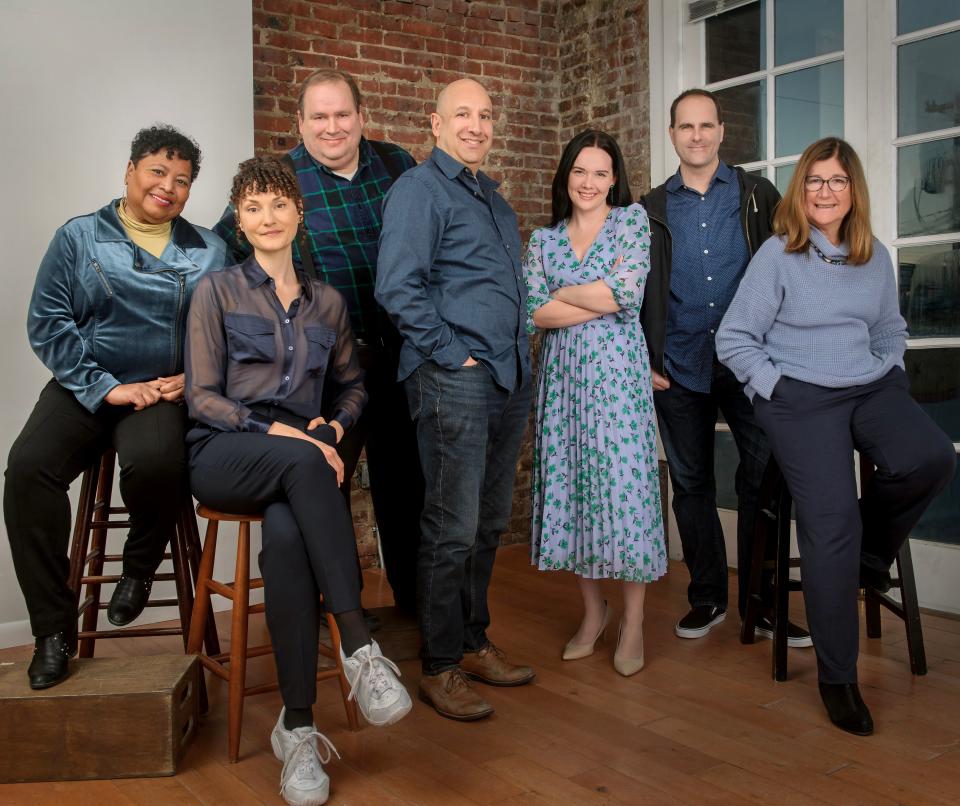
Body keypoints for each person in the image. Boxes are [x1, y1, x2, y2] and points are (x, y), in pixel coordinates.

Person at [186, 157, 411, 805]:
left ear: (298, 212)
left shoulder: (329, 303)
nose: (267, 217)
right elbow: (202, 398)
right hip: (227, 452)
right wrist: (299, 442)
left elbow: (353, 386)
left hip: (300, 466)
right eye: (253, 207)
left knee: (286, 538)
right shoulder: (218, 292)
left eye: (278, 204)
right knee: (303, 465)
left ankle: (300, 728)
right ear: (240, 219)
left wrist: (335, 433)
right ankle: (362, 648)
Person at [716, 137, 955, 736]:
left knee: (930, 457)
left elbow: (890, 328)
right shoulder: (777, 255)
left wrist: (890, 373)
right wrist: (776, 387)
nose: (826, 191)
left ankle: (868, 557)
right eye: (816, 181)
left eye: (838, 181)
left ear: (853, 193)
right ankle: (838, 677)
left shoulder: (874, 257)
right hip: (798, 394)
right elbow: (734, 338)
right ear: (802, 191)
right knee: (829, 522)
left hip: (869, 386)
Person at [4, 125, 227, 690]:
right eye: (157, 171)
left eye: (182, 180)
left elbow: (226, 330)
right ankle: (53, 630)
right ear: (129, 172)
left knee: (157, 465)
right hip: (87, 385)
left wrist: (192, 377)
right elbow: (47, 322)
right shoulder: (79, 236)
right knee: (27, 471)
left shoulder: (210, 249)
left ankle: (137, 568)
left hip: (161, 391)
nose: (167, 186)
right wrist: (104, 387)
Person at [214, 69, 423, 617]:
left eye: (342, 114)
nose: (333, 127)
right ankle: (339, 620)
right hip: (327, 373)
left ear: (360, 115)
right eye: (319, 117)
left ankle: (417, 611)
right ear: (299, 122)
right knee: (324, 490)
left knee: (408, 488)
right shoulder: (281, 180)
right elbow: (220, 252)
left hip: (404, 357)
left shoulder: (398, 165)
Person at [376, 78, 534, 721]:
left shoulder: (492, 199)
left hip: (507, 377)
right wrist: (451, 352)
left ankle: (472, 641)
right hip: (455, 377)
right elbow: (397, 287)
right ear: (435, 124)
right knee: (451, 525)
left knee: (490, 521)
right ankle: (439, 665)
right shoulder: (419, 189)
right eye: (462, 114)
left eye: (486, 115)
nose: (476, 125)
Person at [639, 89, 810, 645]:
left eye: (705, 125)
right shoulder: (649, 209)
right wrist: (646, 354)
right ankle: (707, 597)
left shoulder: (758, 195)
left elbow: (795, 269)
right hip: (678, 367)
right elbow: (631, 291)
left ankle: (761, 607)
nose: (696, 135)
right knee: (691, 486)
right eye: (685, 126)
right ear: (672, 135)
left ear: (720, 132)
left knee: (761, 482)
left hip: (748, 363)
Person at [522, 130, 665, 676]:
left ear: (614, 179)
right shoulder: (543, 240)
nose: (589, 182)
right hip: (563, 385)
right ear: (566, 176)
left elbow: (626, 293)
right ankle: (592, 612)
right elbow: (534, 313)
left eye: (601, 173)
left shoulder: (631, 223)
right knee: (575, 492)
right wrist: (596, 298)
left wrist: (563, 293)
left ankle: (633, 619)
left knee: (625, 493)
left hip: (620, 382)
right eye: (580, 171)